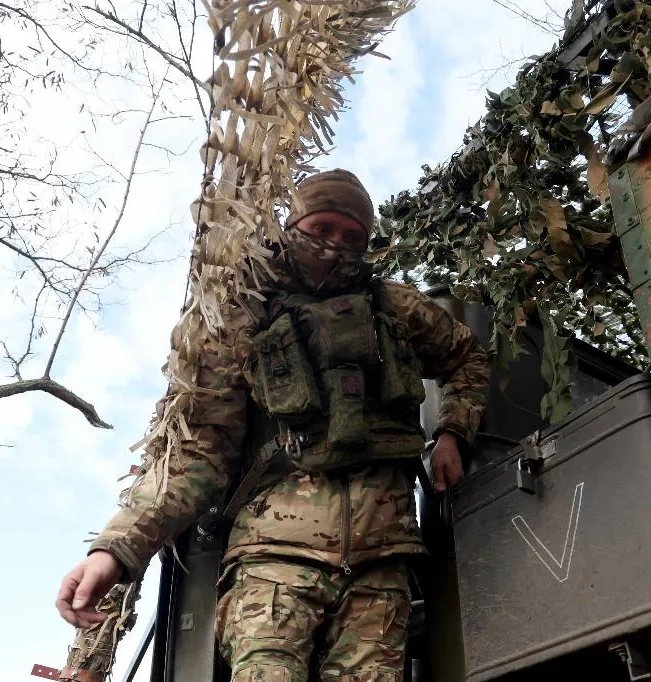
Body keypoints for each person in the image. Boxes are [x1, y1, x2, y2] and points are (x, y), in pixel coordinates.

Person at [55, 169, 491, 682]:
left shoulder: (396, 307)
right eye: (322, 228)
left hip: (381, 562)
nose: (335, 245)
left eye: (352, 235)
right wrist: (115, 550)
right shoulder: (242, 317)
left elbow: (468, 359)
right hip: (273, 562)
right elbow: (199, 455)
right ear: (292, 225)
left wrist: (452, 432)